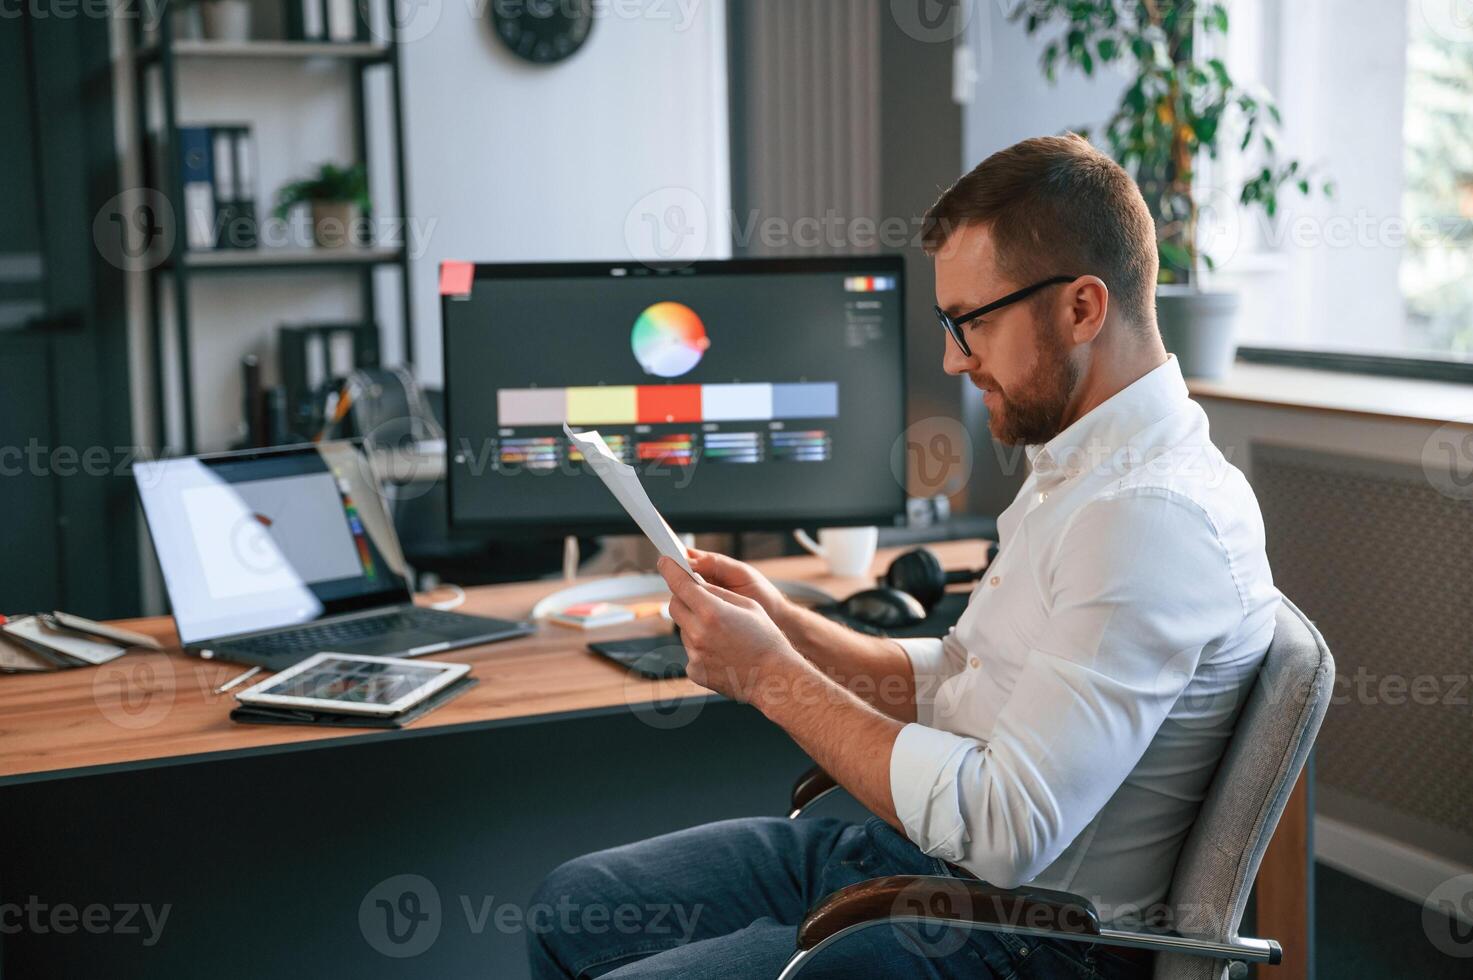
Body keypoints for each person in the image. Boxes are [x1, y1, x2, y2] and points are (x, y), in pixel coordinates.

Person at [527, 134, 1279, 980]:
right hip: (914, 862)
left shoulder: (1147, 518)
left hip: (1009, 936)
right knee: (572, 906)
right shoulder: (1082, 465)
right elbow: (960, 672)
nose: (955, 359)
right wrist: (788, 624)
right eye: (947, 323)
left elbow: (1002, 830)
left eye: (973, 324)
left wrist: (769, 676)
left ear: (1081, 308)